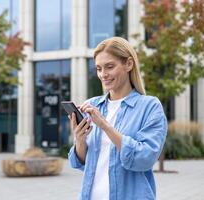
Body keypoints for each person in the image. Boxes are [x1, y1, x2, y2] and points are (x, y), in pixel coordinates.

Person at [68, 37, 167, 200]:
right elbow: (80, 163)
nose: (103, 75)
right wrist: (80, 139)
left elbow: (145, 158)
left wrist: (105, 126)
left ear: (128, 64)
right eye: (99, 69)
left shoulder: (149, 106)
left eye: (110, 67)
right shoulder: (92, 105)